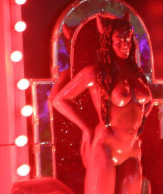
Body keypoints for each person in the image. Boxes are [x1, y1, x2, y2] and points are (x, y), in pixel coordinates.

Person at [50, 17, 152, 194]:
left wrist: (139, 124)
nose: (125, 43)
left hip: (133, 150)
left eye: (128, 38)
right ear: (108, 41)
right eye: (119, 39)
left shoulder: (137, 75)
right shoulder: (94, 73)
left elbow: (149, 102)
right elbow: (59, 100)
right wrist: (86, 128)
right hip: (106, 147)